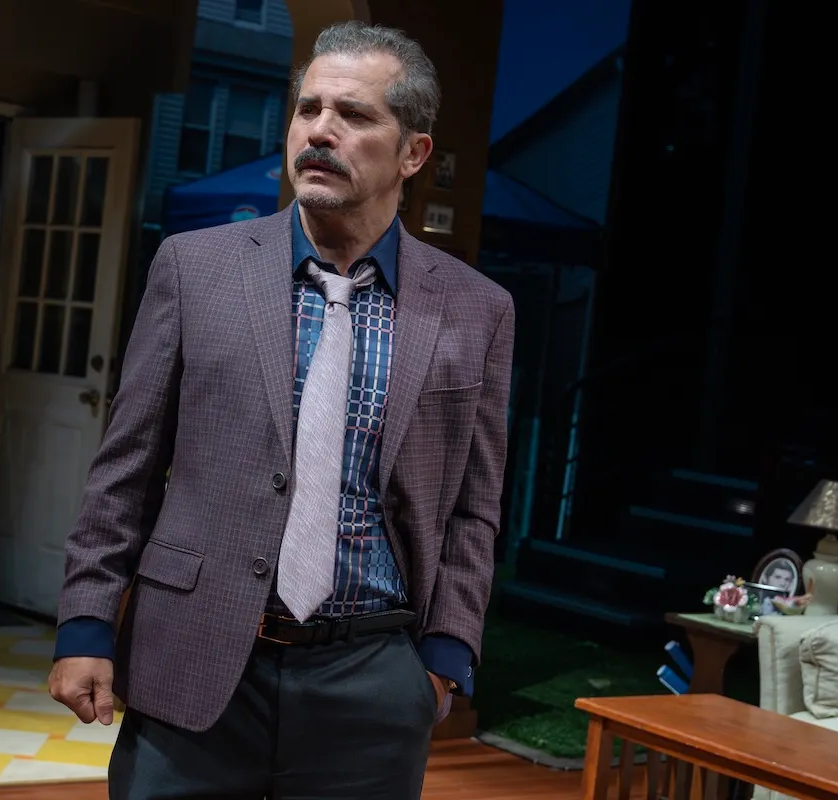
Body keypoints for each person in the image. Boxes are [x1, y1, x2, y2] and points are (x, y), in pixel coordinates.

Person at [48, 20, 515, 800]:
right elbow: (125, 468)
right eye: (309, 109)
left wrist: (444, 657)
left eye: (354, 115)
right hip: (191, 661)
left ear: (413, 154)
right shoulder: (195, 269)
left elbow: (474, 506)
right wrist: (87, 623)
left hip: (372, 682)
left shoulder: (476, 309)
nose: (320, 131)